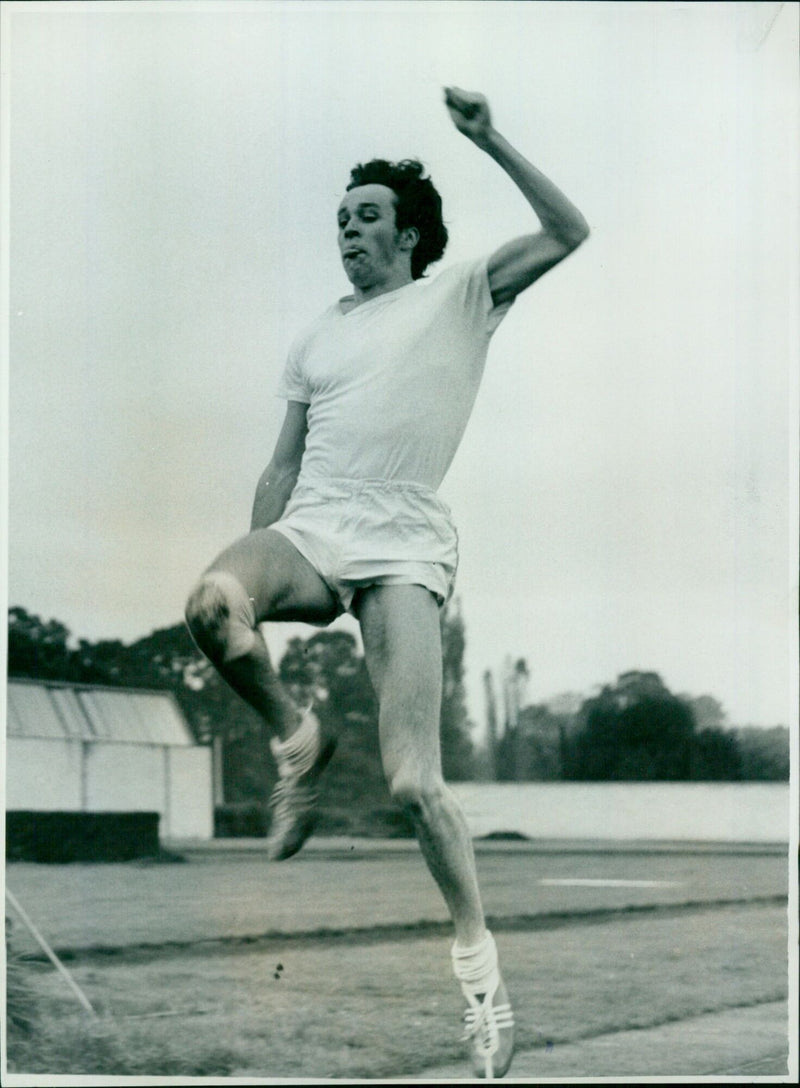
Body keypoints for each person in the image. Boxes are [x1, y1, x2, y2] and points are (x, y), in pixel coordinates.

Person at [185, 86, 588, 1079]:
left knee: (415, 784)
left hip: (403, 547)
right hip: (311, 531)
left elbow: (567, 229)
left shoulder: (459, 293)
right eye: (339, 218)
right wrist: (260, 560)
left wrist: (488, 135)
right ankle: (295, 733)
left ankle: (482, 989)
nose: (347, 230)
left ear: (407, 236)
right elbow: (281, 466)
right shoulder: (314, 336)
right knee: (209, 605)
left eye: (366, 216)